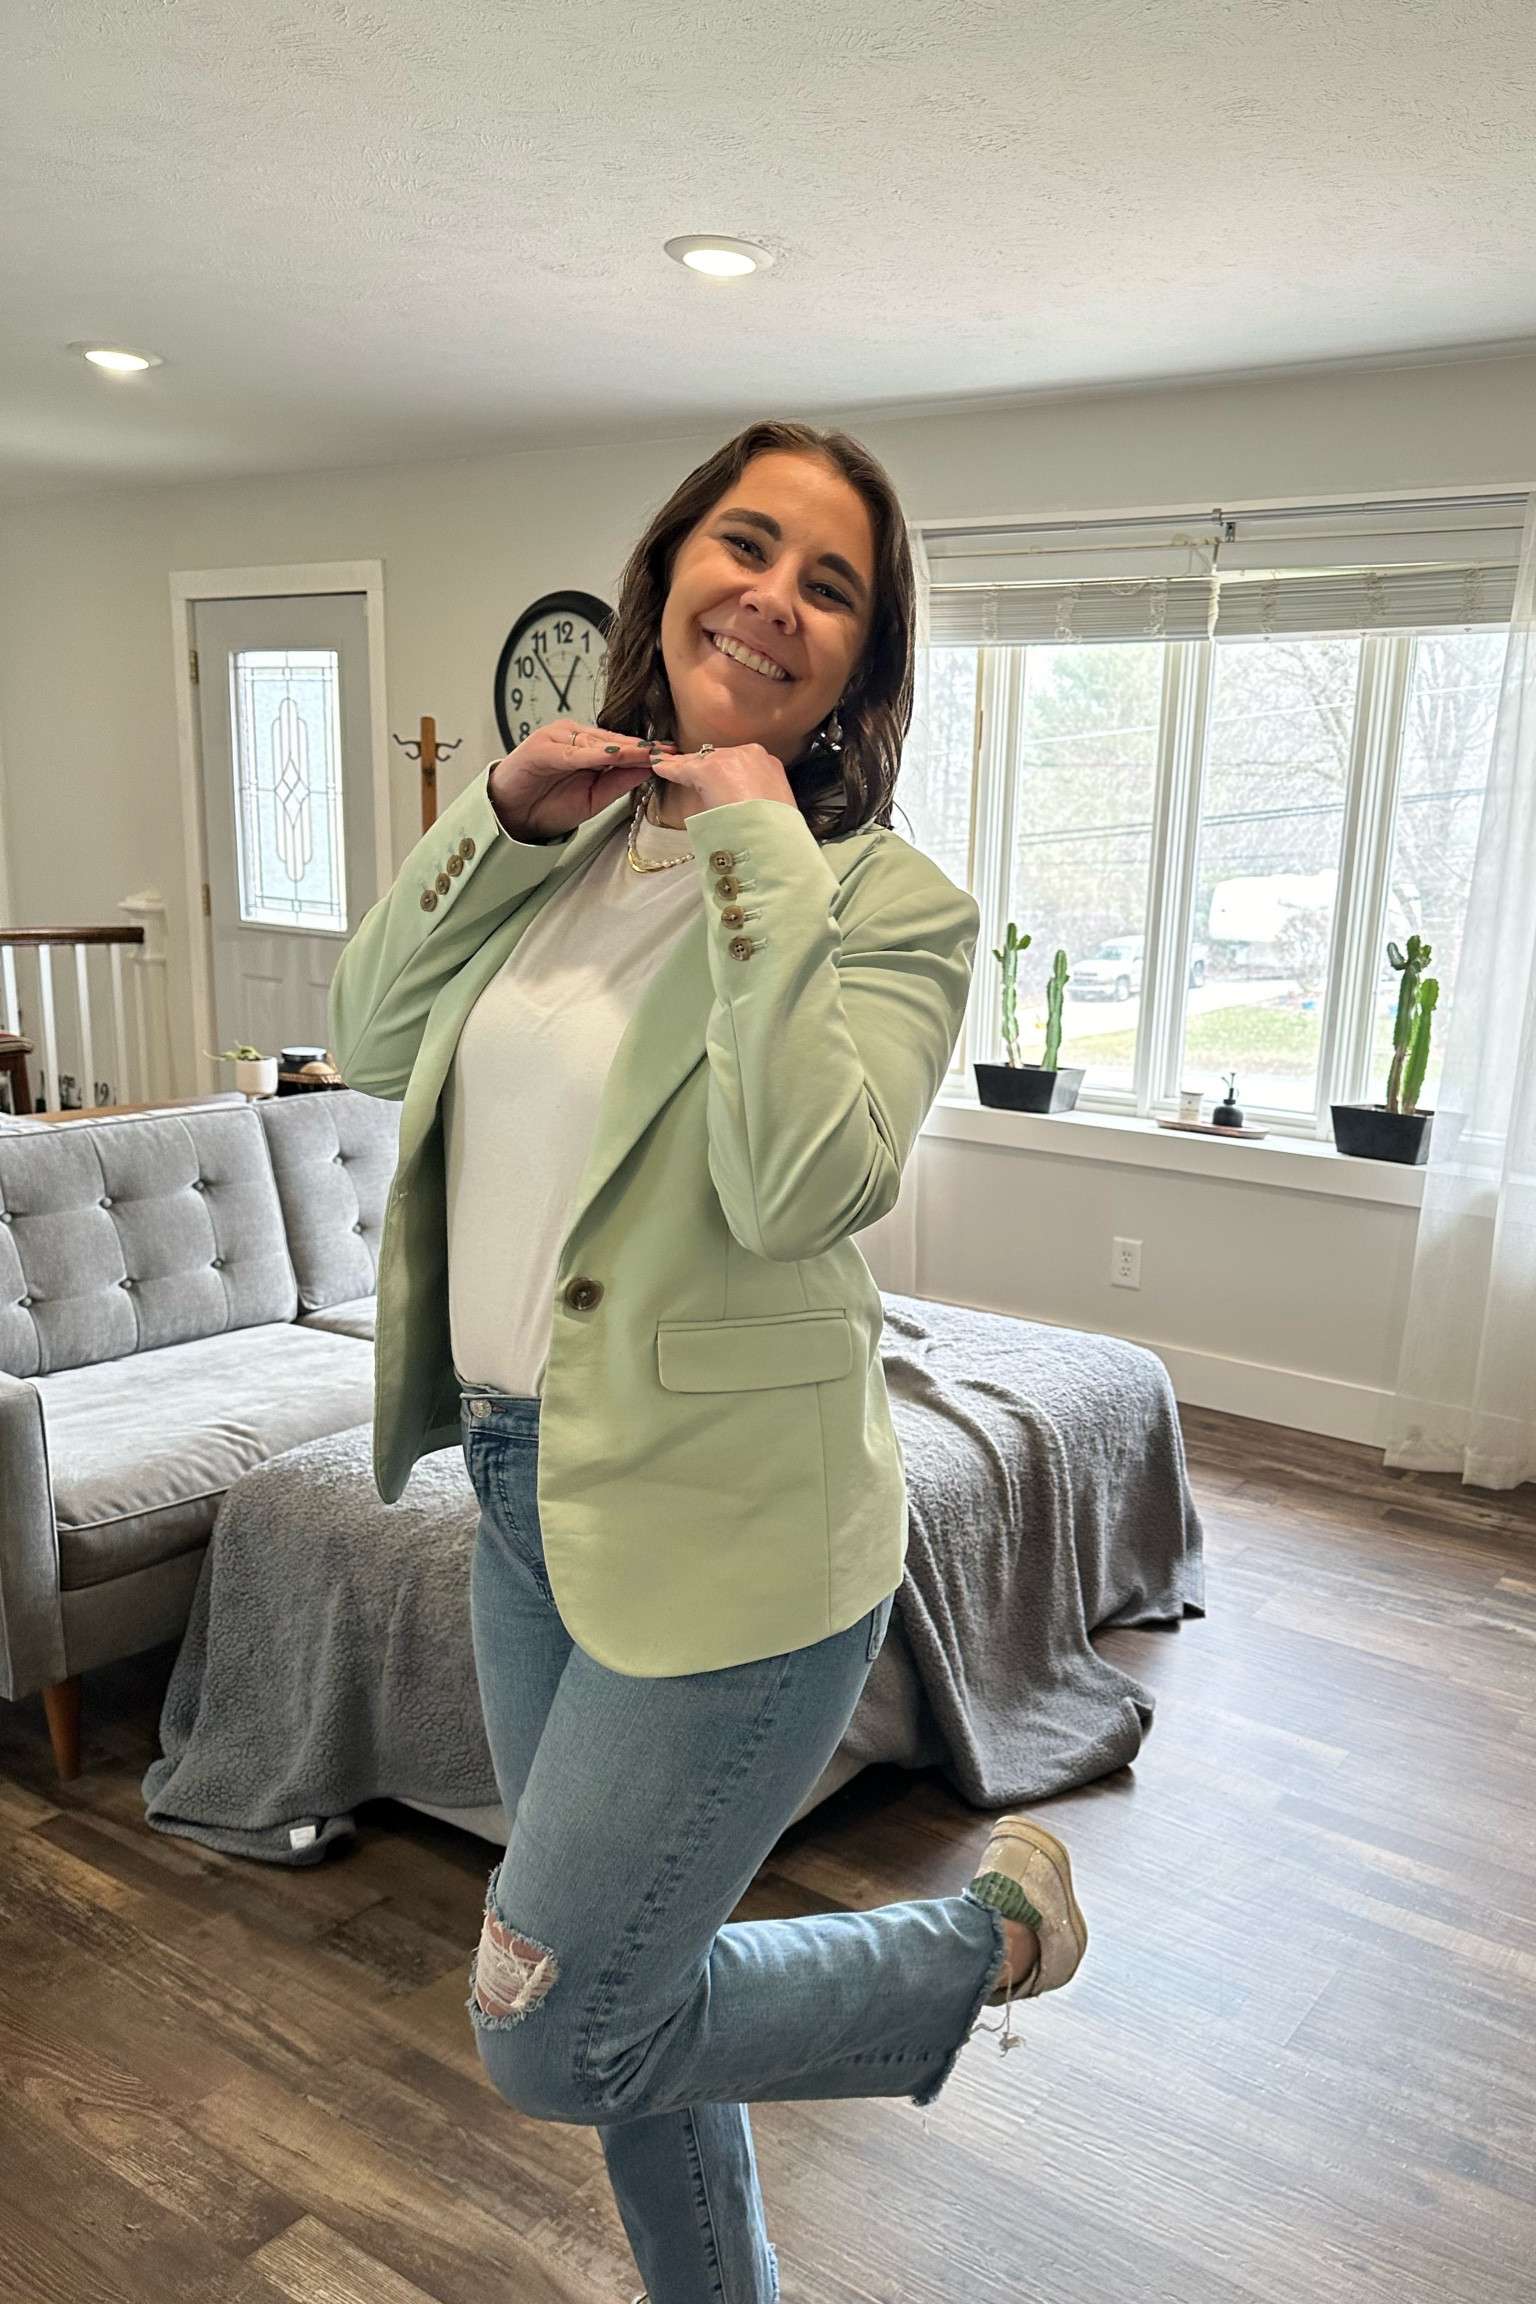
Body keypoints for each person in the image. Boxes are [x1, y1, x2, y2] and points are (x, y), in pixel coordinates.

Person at [329, 419, 1088, 2304]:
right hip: (525, 1497)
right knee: (631, 2014)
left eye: (830, 583)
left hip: (743, 1541)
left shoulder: (887, 901)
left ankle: (986, 1936)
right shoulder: (556, 847)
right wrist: (498, 815)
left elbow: (802, 1182)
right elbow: (361, 1035)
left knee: (555, 2026)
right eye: (744, 547)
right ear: (669, 568)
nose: (773, 596)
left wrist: (756, 842)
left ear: (862, 660)